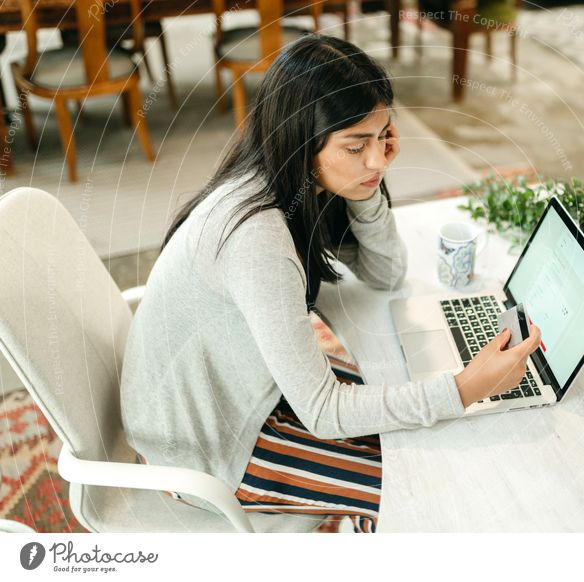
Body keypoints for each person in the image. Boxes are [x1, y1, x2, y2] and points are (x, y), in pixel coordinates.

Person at [120, 34, 540, 534]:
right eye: (356, 146)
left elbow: (386, 273)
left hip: (241, 393)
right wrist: (466, 388)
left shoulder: (298, 183)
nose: (379, 160)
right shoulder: (256, 235)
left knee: (409, 413)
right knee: (417, 479)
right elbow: (323, 412)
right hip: (206, 448)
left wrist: (365, 188)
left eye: (384, 136)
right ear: (301, 138)